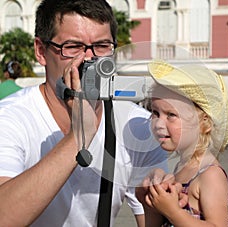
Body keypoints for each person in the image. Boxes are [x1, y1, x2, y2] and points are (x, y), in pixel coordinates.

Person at [0, 1, 168, 226]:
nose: (89, 58)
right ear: (41, 52)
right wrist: (79, 137)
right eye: (73, 46)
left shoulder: (137, 126)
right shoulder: (11, 118)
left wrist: (162, 203)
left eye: (101, 46)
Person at [138, 60, 228, 226]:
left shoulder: (210, 174)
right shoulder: (180, 168)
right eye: (155, 112)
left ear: (204, 123)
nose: (158, 123)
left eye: (171, 115)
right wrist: (149, 202)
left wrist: (173, 212)